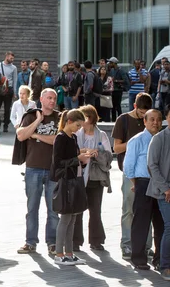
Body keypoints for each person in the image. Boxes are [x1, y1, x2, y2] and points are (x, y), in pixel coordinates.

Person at [15, 88, 61, 255]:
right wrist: (37, 122)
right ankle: (30, 242)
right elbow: (20, 135)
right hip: (33, 168)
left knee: (53, 209)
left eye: (54, 98)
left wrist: (36, 136)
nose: (52, 101)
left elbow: (57, 139)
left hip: (52, 169)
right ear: (41, 99)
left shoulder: (59, 117)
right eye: (49, 98)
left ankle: (53, 242)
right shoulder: (30, 115)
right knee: (32, 208)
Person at [112, 92, 153, 259]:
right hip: (129, 172)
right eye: (142, 113)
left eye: (147, 113)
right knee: (129, 210)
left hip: (148, 174)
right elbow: (116, 148)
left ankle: (146, 246)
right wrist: (136, 141)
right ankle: (127, 244)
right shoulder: (123, 120)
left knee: (147, 211)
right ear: (135, 107)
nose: (144, 116)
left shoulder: (152, 120)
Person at [124, 109, 163, 270]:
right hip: (144, 183)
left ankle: (160, 258)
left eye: (158, 120)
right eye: (152, 119)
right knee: (141, 222)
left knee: (161, 223)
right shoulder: (137, 140)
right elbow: (128, 167)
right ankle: (138, 258)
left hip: (161, 185)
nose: (155, 122)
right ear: (145, 122)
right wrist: (137, 183)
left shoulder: (163, 140)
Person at [51, 109, 90, 266]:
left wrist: (82, 158)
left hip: (74, 179)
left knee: (73, 217)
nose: (78, 129)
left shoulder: (73, 137)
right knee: (66, 217)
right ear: (69, 121)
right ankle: (59, 253)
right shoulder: (60, 138)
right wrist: (77, 159)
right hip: (66, 181)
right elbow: (58, 162)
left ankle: (69, 253)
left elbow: (72, 159)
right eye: (77, 125)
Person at [73, 105, 112, 252]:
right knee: (77, 210)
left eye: (85, 117)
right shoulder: (77, 134)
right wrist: (84, 152)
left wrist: (97, 153)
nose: (82, 121)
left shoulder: (101, 134)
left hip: (95, 177)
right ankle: (75, 241)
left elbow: (108, 155)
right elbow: (73, 151)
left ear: (91, 118)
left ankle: (96, 240)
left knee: (95, 210)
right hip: (79, 176)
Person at [146, 107, 170, 281]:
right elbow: (152, 166)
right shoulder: (159, 138)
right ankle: (165, 266)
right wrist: (166, 188)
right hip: (165, 192)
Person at [0, 51, 17, 133]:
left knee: (7, 109)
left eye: (13, 58)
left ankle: (6, 125)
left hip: (9, 89)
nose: (12, 60)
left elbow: (15, 80)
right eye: (11, 58)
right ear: (6, 56)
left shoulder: (14, 68)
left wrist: (15, 92)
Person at [108, 57, 130, 121]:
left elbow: (125, 80)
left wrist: (116, 81)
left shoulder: (121, 71)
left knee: (118, 106)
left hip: (118, 90)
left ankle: (120, 120)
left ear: (114, 63)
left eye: (110, 63)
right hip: (112, 90)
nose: (109, 64)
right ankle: (114, 120)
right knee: (113, 106)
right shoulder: (111, 70)